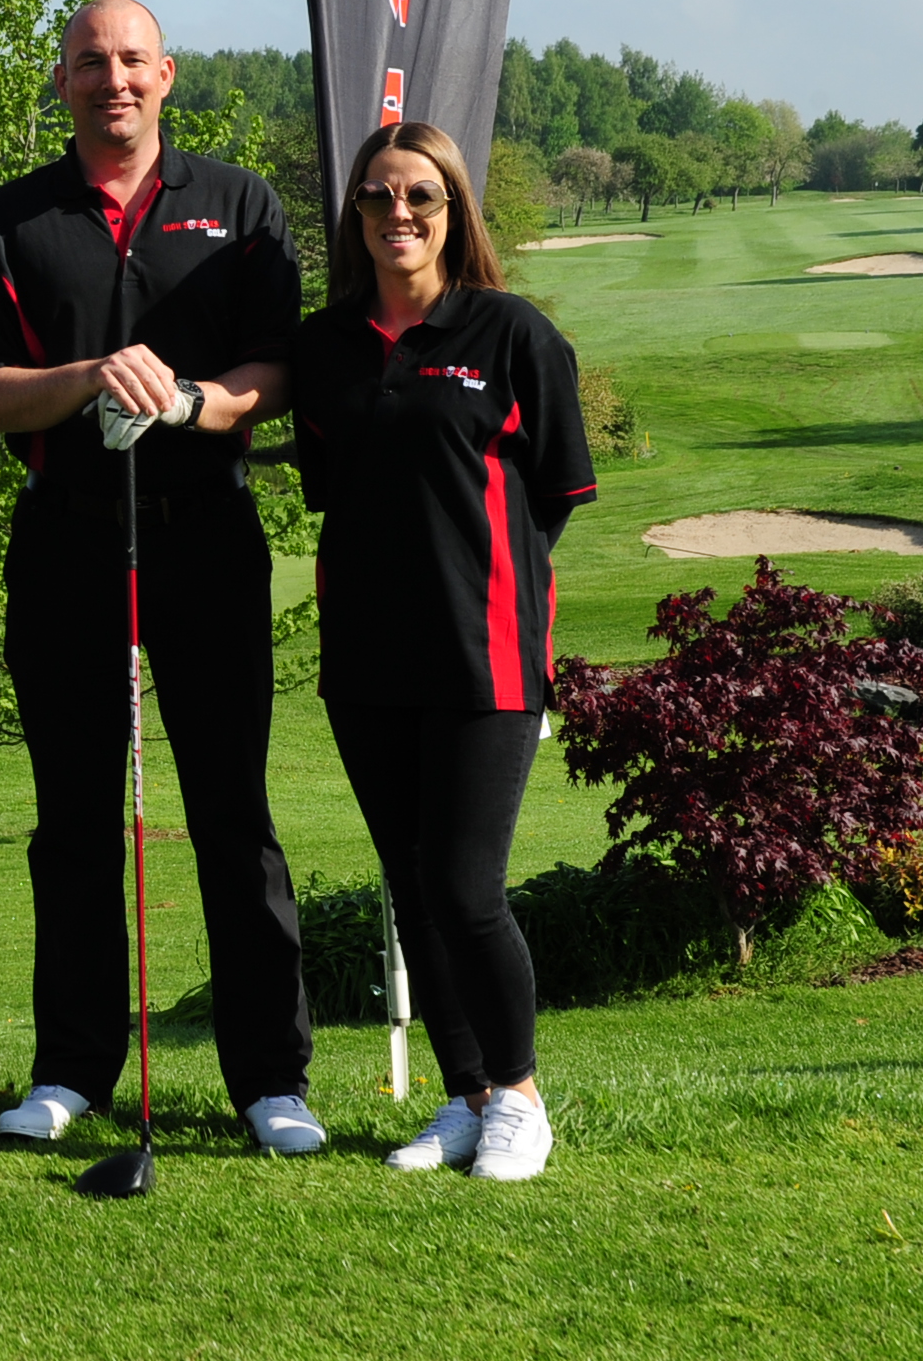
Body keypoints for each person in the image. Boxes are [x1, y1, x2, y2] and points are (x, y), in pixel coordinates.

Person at [0, 0, 327, 1155]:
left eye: (129, 60)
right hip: (65, 536)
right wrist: (88, 377)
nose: (109, 78)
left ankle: (269, 1076)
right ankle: (72, 1067)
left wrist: (192, 402)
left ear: (166, 73)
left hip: (204, 532)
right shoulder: (14, 218)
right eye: (87, 62)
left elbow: (277, 368)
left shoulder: (240, 205)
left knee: (231, 811)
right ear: (60, 79)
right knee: (72, 817)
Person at [292, 121, 593, 1183]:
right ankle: (466, 1098)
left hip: (485, 656)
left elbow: (554, 495)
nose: (399, 213)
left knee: (466, 888)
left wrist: (487, 584)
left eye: (421, 194)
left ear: (455, 209)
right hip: (366, 659)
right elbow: (337, 494)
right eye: (378, 195)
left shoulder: (512, 333)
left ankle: (520, 1096)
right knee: (413, 887)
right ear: (355, 214)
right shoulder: (324, 348)